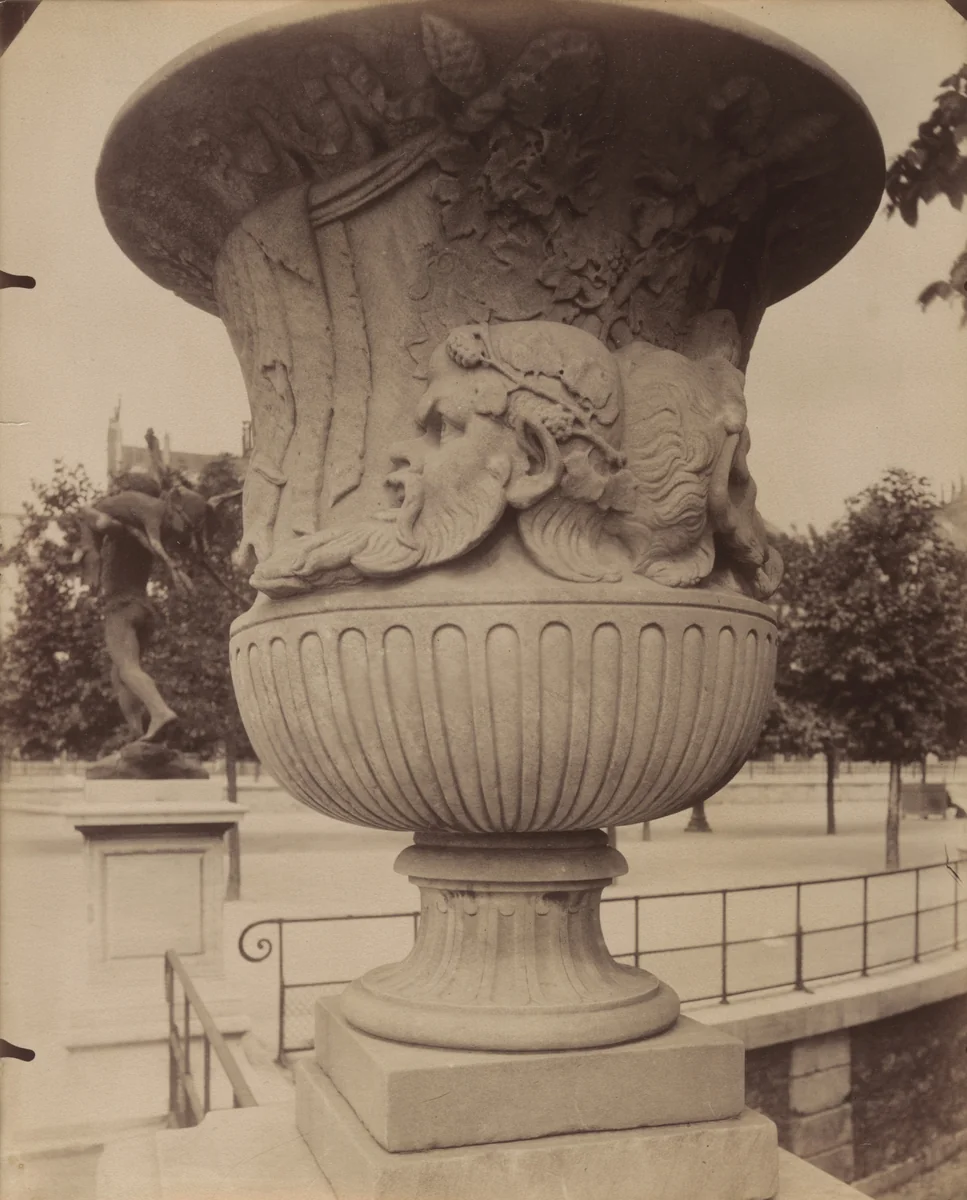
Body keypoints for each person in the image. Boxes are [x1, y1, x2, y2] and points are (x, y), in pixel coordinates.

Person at [76, 474, 196, 743]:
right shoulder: (143, 531)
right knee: (120, 674)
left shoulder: (120, 531)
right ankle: (138, 734)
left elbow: (98, 521)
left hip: (122, 607)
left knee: (128, 668)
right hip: (143, 608)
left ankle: (160, 711)